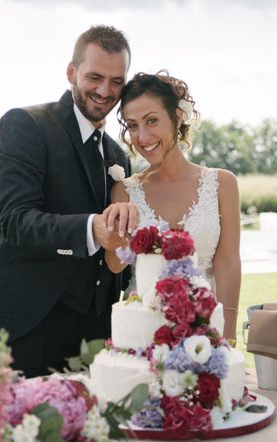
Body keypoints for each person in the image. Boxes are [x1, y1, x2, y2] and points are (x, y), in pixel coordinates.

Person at [0, 26, 133, 377]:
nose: (105, 91)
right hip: (27, 322)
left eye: (117, 81)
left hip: (98, 328)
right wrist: (91, 229)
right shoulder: (26, 125)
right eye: (95, 77)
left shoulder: (117, 153)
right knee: (20, 430)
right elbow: (15, 220)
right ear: (72, 72)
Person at [105, 71, 242, 340]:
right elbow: (114, 264)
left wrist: (228, 335)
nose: (142, 137)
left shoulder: (222, 183)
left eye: (152, 120)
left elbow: (227, 263)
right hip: (141, 331)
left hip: (203, 330)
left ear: (177, 116)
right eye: (132, 125)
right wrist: (119, 231)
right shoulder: (124, 191)